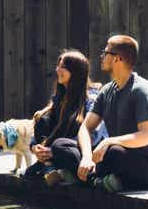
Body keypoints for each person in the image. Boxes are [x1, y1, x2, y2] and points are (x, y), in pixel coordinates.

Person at [74, 34, 148, 192]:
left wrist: (108, 141)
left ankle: (93, 178)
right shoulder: (106, 91)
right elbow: (85, 128)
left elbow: (147, 136)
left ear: (117, 59)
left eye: (106, 53)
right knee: (62, 145)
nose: (102, 56)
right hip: (119, 155)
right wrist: (86, 157)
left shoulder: (141, 90)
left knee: (112, 153)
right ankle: (102, 179)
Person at [26, 50, 107, 186]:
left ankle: (88, 177)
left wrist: (53, 151)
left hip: (83, 152)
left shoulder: (92, 98)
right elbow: (47, 129)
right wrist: (35, 148)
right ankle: (51, 167)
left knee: (60, 146)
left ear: (75, 72)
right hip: (57, 152)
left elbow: (95, 136)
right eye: (57, 66)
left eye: (63, 67)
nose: (57, 70)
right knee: (42, 118)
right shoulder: (60, 97)